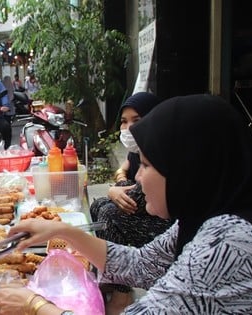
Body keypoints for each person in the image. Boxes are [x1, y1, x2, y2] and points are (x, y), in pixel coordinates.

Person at [0, 94, 252, 314]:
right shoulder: (207, 217)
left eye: (146, 165)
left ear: (187, 168)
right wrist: (60, 231)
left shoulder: (230, 242)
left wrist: (34, 305)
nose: (139, 179)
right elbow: (141, 264)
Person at [88, 92, 173, 314]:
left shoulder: (161, 151)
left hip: (159, 223)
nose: (128, 128)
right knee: (100, 207)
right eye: (124, 122)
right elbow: (126, 172)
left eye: (137, 120)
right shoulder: (138, 150)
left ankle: (121, 293)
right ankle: (113, 277)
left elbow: (134, 196)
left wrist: (37, 305)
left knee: (108, 215)